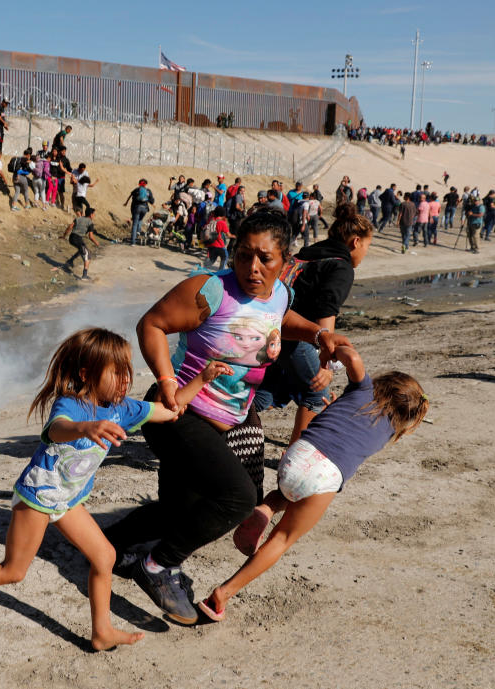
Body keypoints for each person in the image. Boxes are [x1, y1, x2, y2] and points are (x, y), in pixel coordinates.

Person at [102, 210, 351, 625]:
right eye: (242, 254)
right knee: (238, 498)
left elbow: (278, 320)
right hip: (178, 411)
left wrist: (317, 333)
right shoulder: (211, 290)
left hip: (228, 419)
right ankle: (159, 565)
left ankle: (109, 548)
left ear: (284, 260)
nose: (252, 267)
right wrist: (165, 379)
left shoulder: (280, 294)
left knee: (179, 511)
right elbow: (151, 324)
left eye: (264, 258)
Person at [0, 328, 230, 650]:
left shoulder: (123, 409)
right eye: (117, 373)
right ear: (86, 374)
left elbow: (171, 410)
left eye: (127, 371)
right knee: (13, 571)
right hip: (37, 498)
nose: (126, 380)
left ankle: (101, 631)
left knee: (105, 556)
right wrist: (86, 427)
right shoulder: (71, 406)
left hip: (68, 501)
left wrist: (202, 380)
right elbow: (57, 430)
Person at [198, 347, 428, 621]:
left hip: (298, 455)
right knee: (282, 538)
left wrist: (328, 355)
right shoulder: (390, 429)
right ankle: (223, 593)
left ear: (384, 383)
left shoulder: (362, 390)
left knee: (284, 493)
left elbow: (352, 359)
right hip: (325, 475)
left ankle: (265, 510)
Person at [254, 203, 372, 444]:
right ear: (356, 242)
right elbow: (325, 311)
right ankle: (294, 455)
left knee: (265, 395)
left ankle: (214, 420)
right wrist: (325, 361)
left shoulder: (310, 252)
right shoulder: (342, 266)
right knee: (317, 393)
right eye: (367, 247)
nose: (364, 254)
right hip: (296, 334)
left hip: (267, 325)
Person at [62, 207, 100, 280]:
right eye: (94, 214)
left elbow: (70, 226)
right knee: (87, 255)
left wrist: (64, 236)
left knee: (82, 249)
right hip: (78, 239)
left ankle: (70, 261)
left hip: (71, 238)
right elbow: (91, 236)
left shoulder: (79, 218)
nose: (94, 216)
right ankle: (84, 275)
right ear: (91, 215)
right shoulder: (90, 223)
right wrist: (97, 243)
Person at [125, 179, 154, 245]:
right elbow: (152, 201)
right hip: (145, 209)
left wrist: (126, 203)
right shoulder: (148, 191)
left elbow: (131, 197)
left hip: (137, 208)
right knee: (140, 219)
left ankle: (133, 242)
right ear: (146, 184)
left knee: (135, 224)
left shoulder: (136, 190)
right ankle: (138, 231)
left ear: (139, 184)